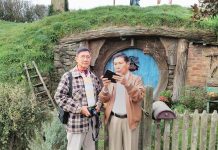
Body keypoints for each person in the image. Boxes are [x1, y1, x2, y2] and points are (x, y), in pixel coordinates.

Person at [54, 47, 102, 150]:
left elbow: (100, 95)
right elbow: (59, 97)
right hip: (76, 123)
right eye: (83, 57)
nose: (85, 59)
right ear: (76, 58)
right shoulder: (68, 76)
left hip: (92, 122)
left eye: (88, 57)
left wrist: (98, 105)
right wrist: (80, 108)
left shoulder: (93, 77)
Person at [99, 52, 145, 150]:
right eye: (115, 64)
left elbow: (138, 97)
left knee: (130, 147)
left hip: (130, 120)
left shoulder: (136, 79)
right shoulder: (111, 80)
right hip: (114, 119)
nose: (117, 66)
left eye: (120, 63)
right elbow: (103, 99)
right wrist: (106, 87)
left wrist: (127, 83)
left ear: (128, 64)